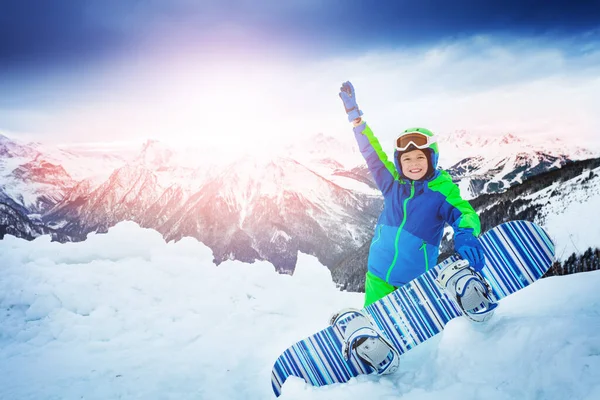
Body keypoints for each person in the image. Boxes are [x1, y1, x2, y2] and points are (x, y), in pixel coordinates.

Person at [338, 81, 485, 307]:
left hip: (415, 282)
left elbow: (463, 212)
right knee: (378, 326)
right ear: (399, 163)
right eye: (406, 159)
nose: (413, 164)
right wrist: (356, 120)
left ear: (432, 159)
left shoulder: (441, 190)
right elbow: (372, 154)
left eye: (420, 158)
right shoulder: (393, 184)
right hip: (378, 274)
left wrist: (466, 233)